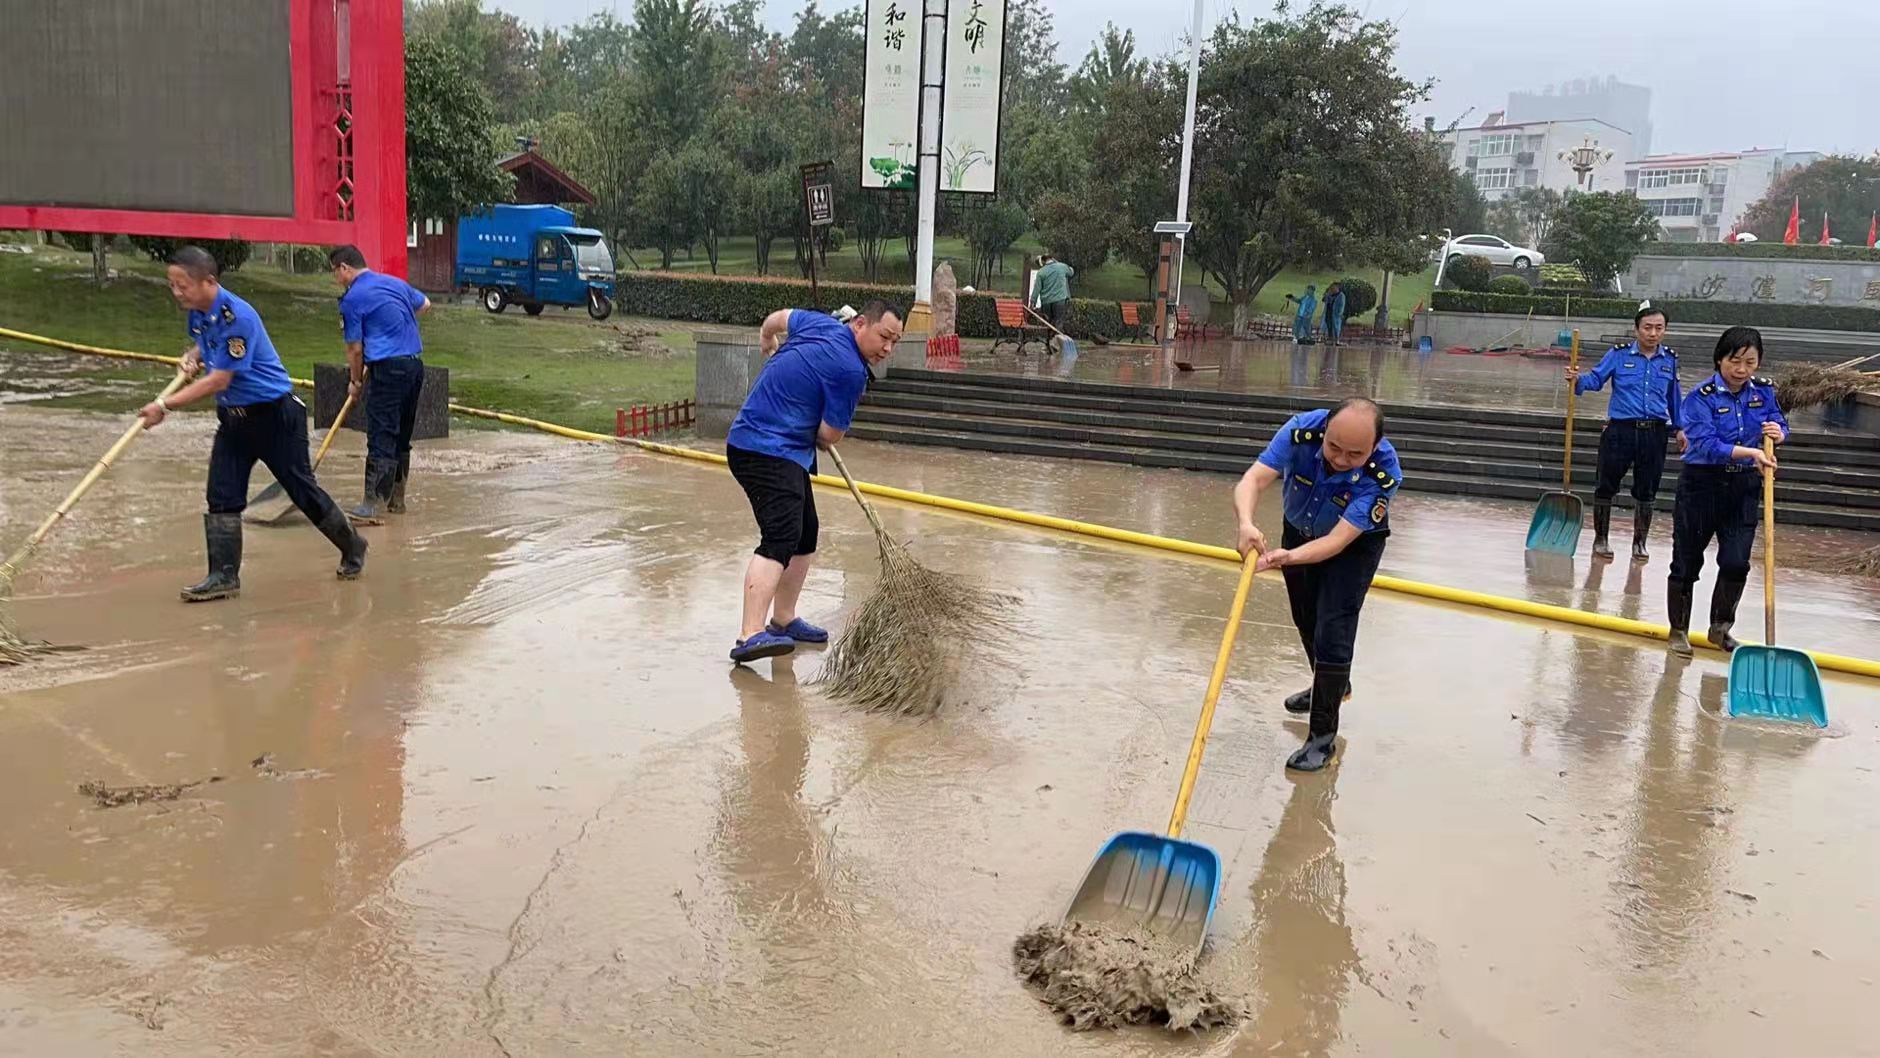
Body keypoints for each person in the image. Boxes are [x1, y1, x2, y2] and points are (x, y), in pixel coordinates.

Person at [138, 246, 368, 600]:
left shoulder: (237, 317)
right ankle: (223, 577)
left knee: (302, 491)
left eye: (183, 286)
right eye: (172, 286)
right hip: (234, 419)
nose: (177, 293)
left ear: (209, 281)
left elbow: (219, 380)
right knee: (221, 494)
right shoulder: (199, 312)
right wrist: (193, 355)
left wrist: (163, 405)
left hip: (275, 417)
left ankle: (353, 545)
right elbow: (204, 344)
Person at [724, 300, 905, 663]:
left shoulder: (819, 324)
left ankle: (783, 619)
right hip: (763, 448)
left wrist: (766, 341)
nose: (887, 348)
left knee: (805, 532)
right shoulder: (851, 371)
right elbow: (829, 434)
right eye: (884, 337)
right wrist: (819, 424)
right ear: (860, 324)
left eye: (895, 342)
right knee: (780, 537)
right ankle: (749, 634)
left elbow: (775, 318)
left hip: (780, 449)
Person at [1233, 397, 1401, 771]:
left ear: (1373, 448)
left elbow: (1338, 542)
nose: (1340, 459)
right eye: (1333, 447)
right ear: (1325, 430)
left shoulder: (1382, 473)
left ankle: (1322, 739)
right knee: (1305, 616)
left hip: (1353, 546)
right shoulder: (1300, 431)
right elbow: (1254, 479)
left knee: (1333, 628)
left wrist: (1288, 557)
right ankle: (1332, 686)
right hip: (1299, 530)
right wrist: (1246, 521)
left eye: (1354, 454)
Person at [1665, 326, 1787, 657]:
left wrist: (1779, 433)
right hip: (1702, 484)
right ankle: (1678, 630)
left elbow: (1777, 420)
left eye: (1750, 362)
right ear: (1720, 359)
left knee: (1736, 561)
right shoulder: (1700, 397)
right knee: (1686, 560)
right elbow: (1706, 444)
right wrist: (1751, 453)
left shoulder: (1763, 393)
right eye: (1736, 361)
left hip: (1743, 487)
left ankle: (1721, 627)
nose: (1742, 370)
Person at [1565, 303, 1685, 561]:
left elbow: (1674, 398)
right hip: (1620, 431)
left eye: (1659, 328)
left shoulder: (1670, 360)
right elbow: (1595, 380)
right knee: (1606, 485)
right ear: (1636, 329)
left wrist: (1680, 429)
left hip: (1654, 433)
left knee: (1647, 490)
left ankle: (1639, 543)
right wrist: (1577, 380)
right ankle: (1601, 539)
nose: (1653, 333)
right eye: (1647, 328)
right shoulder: (1618, 355)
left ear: (1665, 330)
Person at [329, 244, 430, 522]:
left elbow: (355, 349)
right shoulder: (394, 284)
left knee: (381, 434)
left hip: (387, 369)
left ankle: (371, 506)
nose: (336, 279)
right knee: (402, 435)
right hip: (414, 366)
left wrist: (355, 382)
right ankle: (396, 502)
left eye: (335, 273)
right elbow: (424, 304)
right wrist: (394, 326)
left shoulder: (353, 299)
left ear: (345, 268)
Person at [1032, 253, 1076, 343]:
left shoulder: (1041, 272)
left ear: (1043, 261)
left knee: (1048, 323)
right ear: (1052, 258)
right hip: (1060, 300)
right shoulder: (1062, 267)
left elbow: (1037, 289)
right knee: (1058, 322)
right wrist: (1058, 262)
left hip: (1046, 302)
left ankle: (1048, 344)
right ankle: (1058, 344)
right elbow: (1071, 272)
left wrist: (1032, 302)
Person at [1321, 282, 1347, 346]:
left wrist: (1340, 313)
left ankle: (1336, 340)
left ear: (1338, 288)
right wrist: (1327, 294)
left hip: (1336, 314)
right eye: (1332, 287)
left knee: (1335, 327)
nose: (1332, 289)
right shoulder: (1329, 295)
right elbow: (1323, 300)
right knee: (1328, 325)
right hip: (1328, 313)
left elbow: (1342, 305)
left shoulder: (1341, 295)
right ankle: (1329, 339)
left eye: (1334, 287)